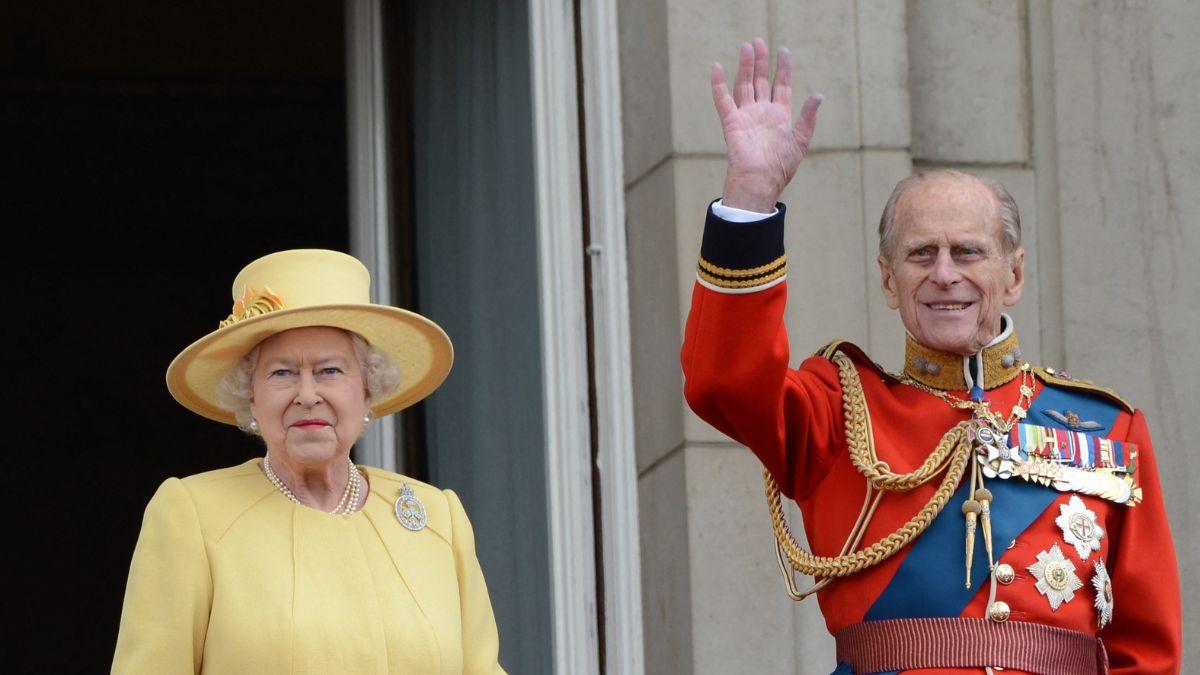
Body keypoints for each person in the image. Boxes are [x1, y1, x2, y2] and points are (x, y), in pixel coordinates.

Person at [682, 38, 1181, 674]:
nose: (945, 274)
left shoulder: (1112, 432)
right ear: (889, 281)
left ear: (1015, 274)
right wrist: (749, 197)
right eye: (922, 255)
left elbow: (1147, 652)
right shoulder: (838, 413)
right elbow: (722, 380)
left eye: (968, 252)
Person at [113, 249, 505, 674]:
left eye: (330, 371)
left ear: (368, 389)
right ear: (251, 395)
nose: (307, 394)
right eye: (282, 373)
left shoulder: (437, 518)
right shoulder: (193, 514)